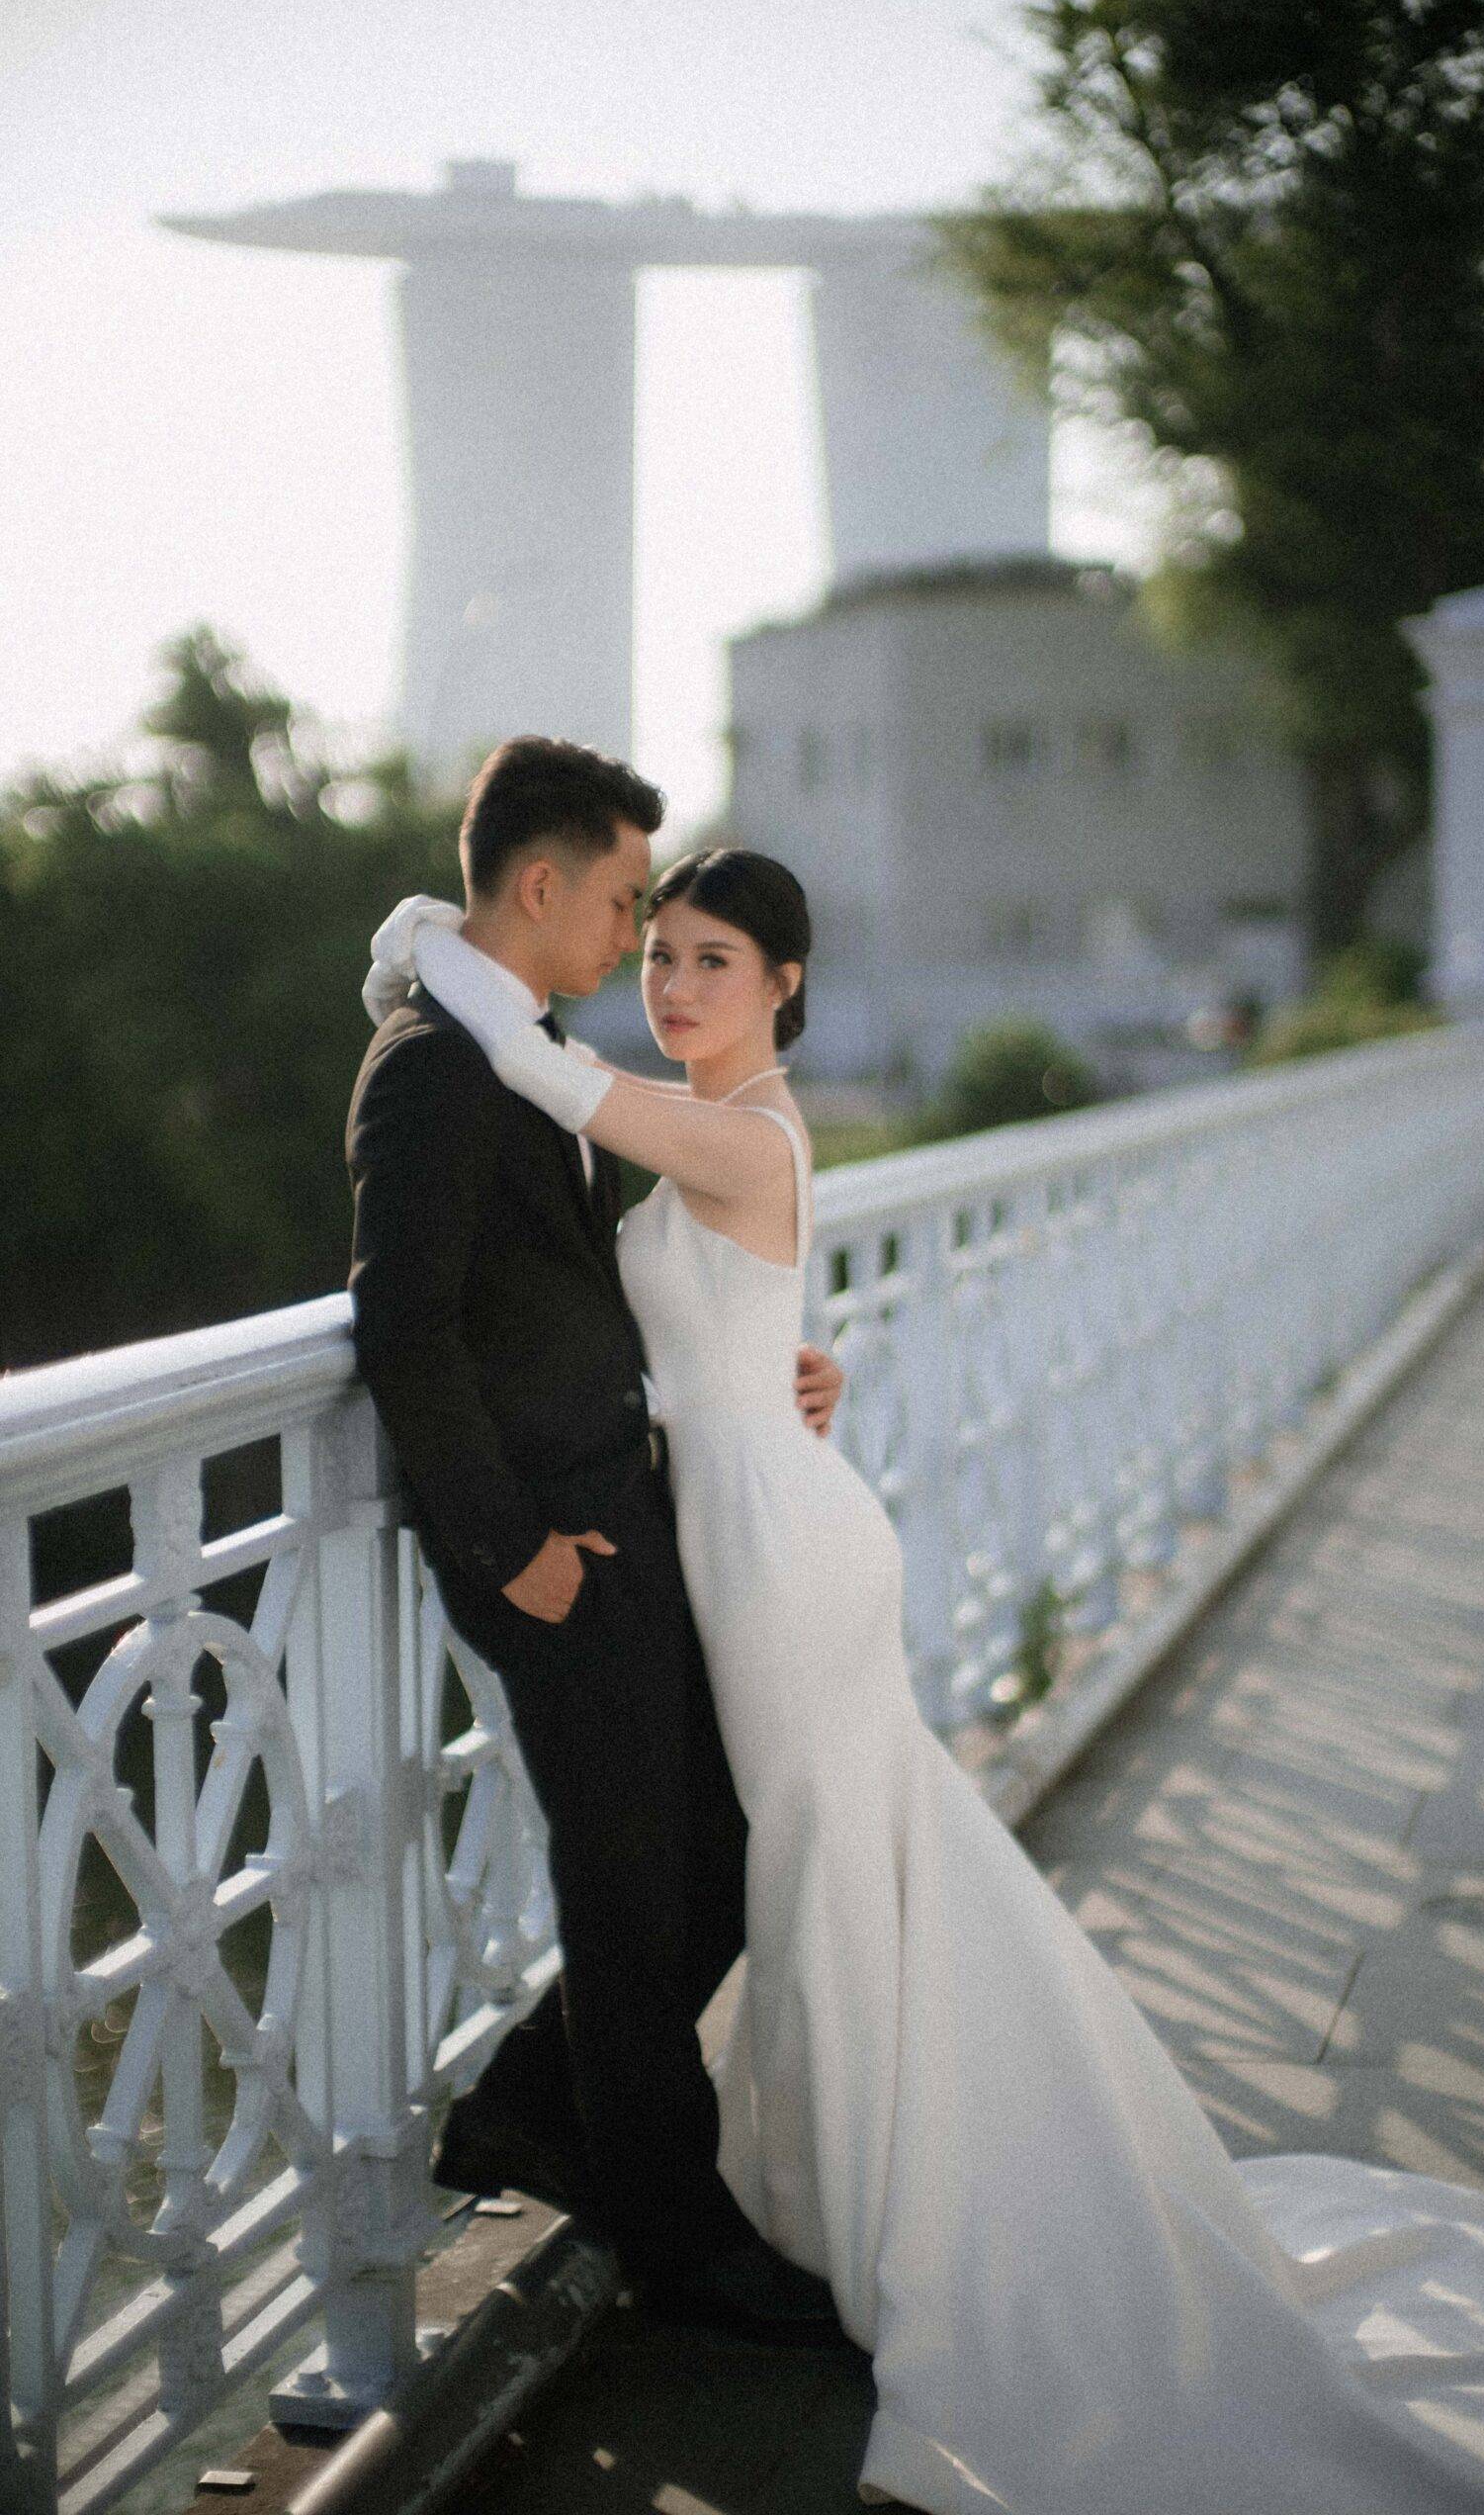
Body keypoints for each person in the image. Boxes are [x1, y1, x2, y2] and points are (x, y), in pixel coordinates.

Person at [368, 848, 1484, 2515]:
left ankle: (907, 2217)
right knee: (832, 1864)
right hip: (757, 1519)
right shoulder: (718, 1131)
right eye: (664, 957)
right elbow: (712, 1317)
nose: (674, 986)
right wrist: (784, 1373)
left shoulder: (728, 1122)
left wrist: (422, 939)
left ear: (785, 982)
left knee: (830, 1863)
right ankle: (840, 2186)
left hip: (785, 1567)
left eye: (714, 960)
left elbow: (541, 1065)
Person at [345, 738, 846, 2343]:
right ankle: (676, 2240)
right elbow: (403, 1328)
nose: (638, 935)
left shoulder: (517, 1045)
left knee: (710, 1852)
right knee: (638, 1889)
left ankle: (530, 2110)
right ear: (544, 884)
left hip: (630, 1513)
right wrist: (511, 1554)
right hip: (552, 1544)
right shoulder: (433, 1063)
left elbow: (582, 1295)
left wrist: (764, 1367)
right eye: (630, 899)